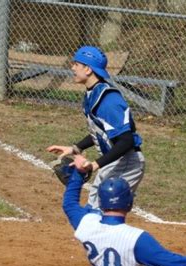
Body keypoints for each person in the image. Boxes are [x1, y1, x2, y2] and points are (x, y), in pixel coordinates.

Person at [47, 45, 144, 209]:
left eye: (77, 64)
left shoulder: (109, 101)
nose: (72, 68)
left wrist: (95, 165)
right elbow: (101, 132)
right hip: (116, 162)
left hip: (126, 163)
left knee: (99, 210)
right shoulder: (93, 94)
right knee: (96, 208)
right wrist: (76, 148)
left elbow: (126, 141)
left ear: (88, 69)